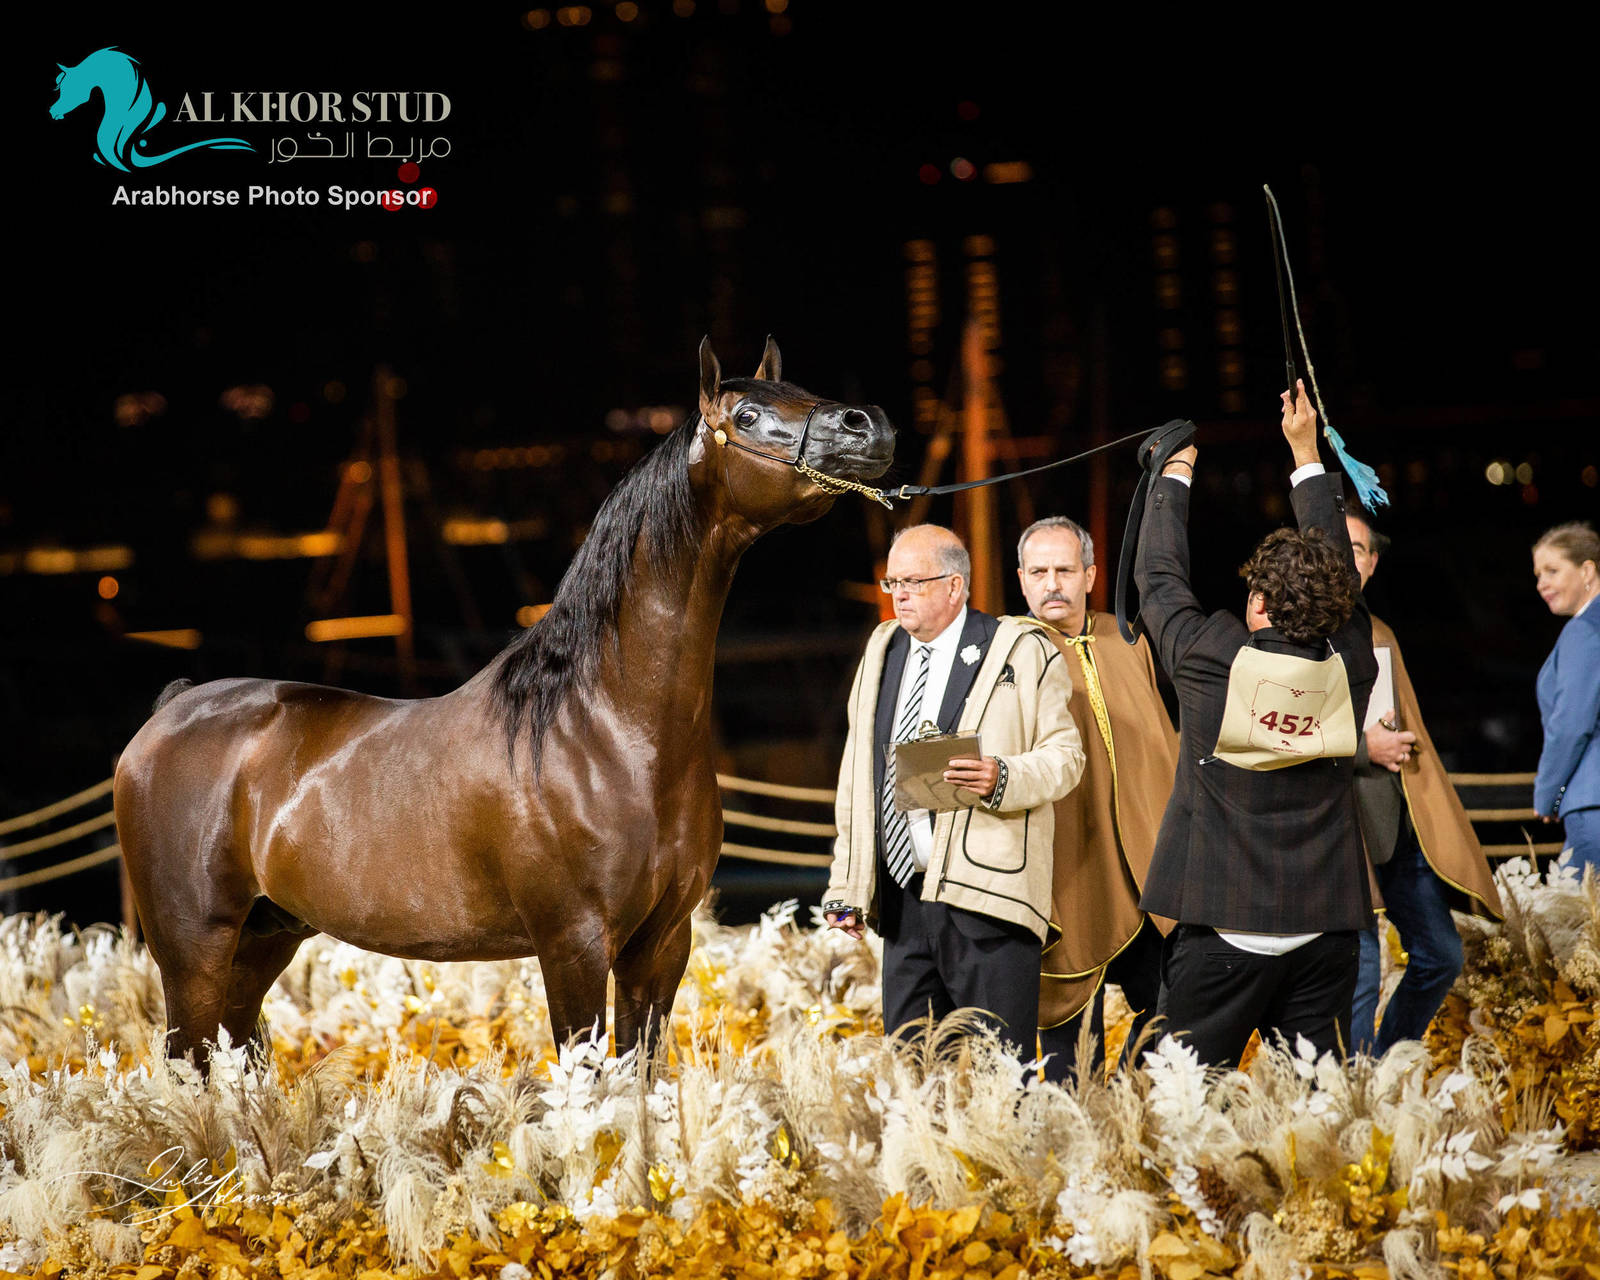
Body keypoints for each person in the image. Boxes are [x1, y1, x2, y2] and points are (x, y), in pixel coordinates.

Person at [1135, 382, 1378, 1069]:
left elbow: (1158, 579)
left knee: (1186, 1113)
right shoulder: (1351, 664)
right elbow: (1347, 597)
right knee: (1316, 1124)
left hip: (1224, 929)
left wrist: (1172, 472)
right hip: (1325, 928)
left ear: (1258, 602)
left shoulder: (1211, 661)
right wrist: (1306, 456)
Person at [823, 524, 1085, 1052]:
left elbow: (1066, 758)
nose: (898, 594)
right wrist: (847, 886)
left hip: (986, 901)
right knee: (912, 1074)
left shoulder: (1021, 649)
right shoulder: (882, 650)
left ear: (954, 586)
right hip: (903, 905)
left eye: (913, 582)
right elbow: (858, 776)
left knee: (1000, 1078)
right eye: (892, 581)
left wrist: (1001, 776)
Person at [1014, 516, 1178, 1079]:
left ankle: (1134, 1114)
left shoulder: (1127, 641)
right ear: (1021, 579)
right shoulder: (1007, 654)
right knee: (1068, 1061)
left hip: (1145, 875)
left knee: (1174, 1009)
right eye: (1039, 571)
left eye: (1064, 569)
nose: (1051, 583)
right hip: (1066, 878)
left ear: (1089, 575)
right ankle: (1082, 1152)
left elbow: (1164, 746)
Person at [1345, 511, 1503, 1055]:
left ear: (1372, 562)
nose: (1350, 558)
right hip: (1342, 829)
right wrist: (1367, 747)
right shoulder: (1304, 629)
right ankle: (1356, 1100)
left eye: (1360, 549)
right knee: (1362, 971)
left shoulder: (1380, 632)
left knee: (1441, 954)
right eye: (1339, 546)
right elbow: (1287, 737)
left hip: (1398, 818)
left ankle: (1388, 1062)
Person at [1532, 521, 1600, 876]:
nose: (1542, 583)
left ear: (1587, 569)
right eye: (1538, 574)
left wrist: (1547, 794)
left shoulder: (1583, 630)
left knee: (1578, 927)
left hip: (1593, 803)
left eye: (1553, 570)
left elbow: (1572, 724)